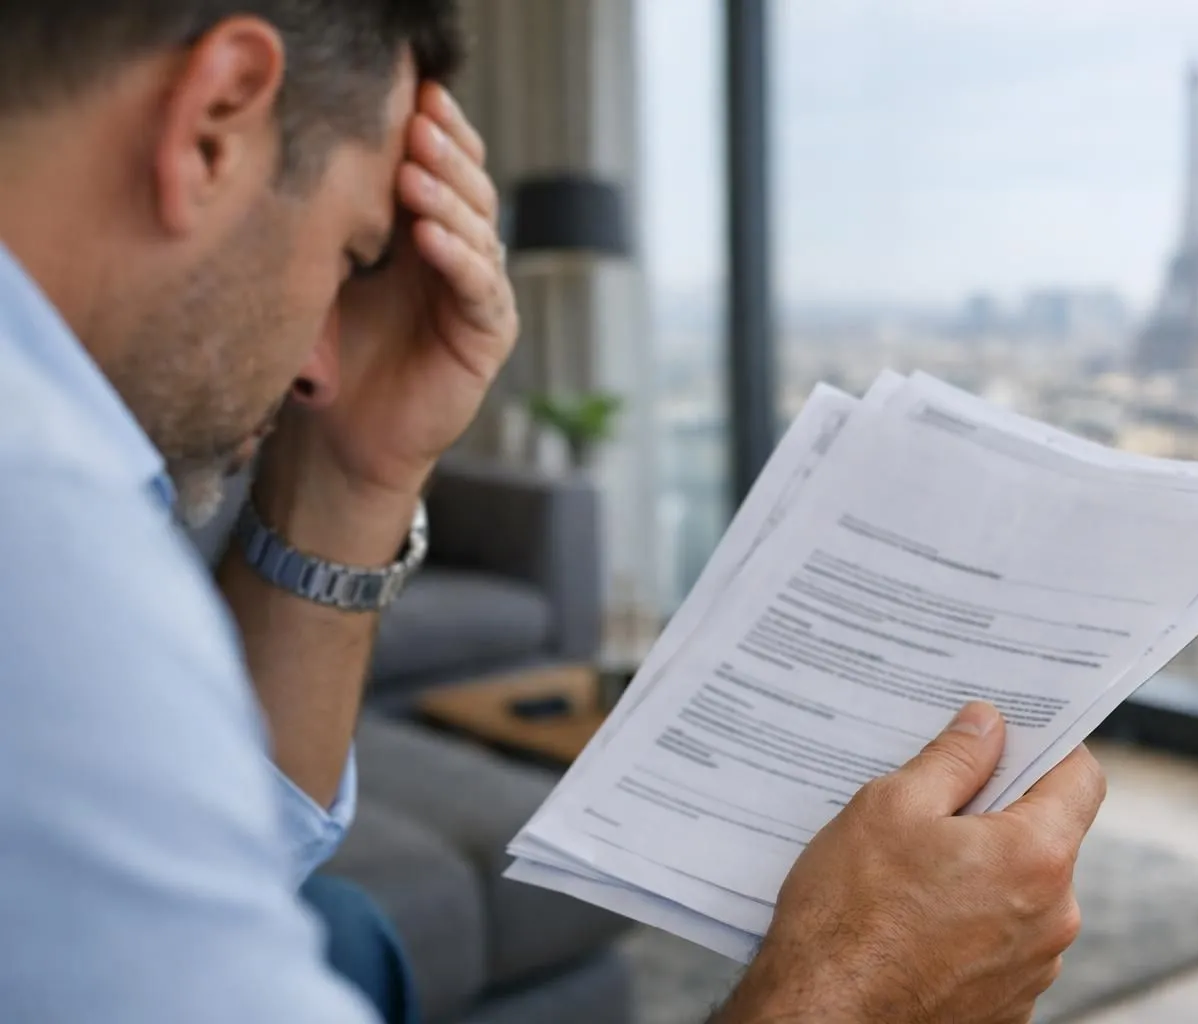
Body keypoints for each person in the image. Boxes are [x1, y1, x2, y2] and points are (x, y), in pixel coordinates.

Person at [0, 2, 1106, 1022]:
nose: (316, 370)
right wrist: (864, 987)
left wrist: (354, 474)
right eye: (352, 253)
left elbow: (237, 849)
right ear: (215, 125)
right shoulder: (44, 543)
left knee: (348, 933)